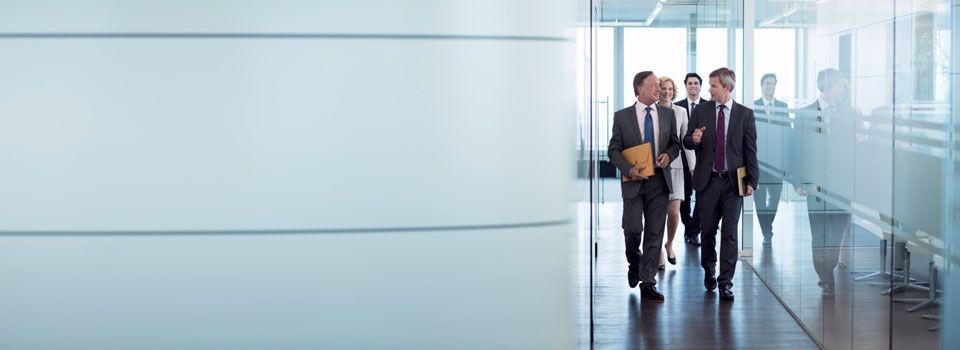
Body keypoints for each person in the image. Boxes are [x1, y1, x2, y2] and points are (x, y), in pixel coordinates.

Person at [683, 67, 758, 301]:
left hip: (733, 182)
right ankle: (709, 269)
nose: (708, 89)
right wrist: (692, 139)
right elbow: (687, 140)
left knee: (730, 233)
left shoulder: (745, 114)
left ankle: (726, 281)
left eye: (713, 86)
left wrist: (752, 181)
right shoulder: (702, 110)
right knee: (707, 231)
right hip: (708, 182)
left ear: (727, 87)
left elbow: (750, 150)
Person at [608, 71, 681, 301]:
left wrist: (669, 156)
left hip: (659, 182)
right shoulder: (622, 117)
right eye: (652, 86)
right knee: (632, 229)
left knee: (654, 232)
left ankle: (648, 281)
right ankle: (634, 261)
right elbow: (613, 150)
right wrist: (629, 169)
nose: (658, 89)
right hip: (633, 182)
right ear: (638, 89)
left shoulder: (668, 115)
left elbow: (675, 144)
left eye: (659, 85)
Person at [794, 68, 853, 296]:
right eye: (840, 86)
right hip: (816, 185)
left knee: (836, 231)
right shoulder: (804, 114)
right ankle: (825, 277)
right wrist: (798, 181)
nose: (843, 90)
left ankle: (828, 269)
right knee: (819, 233)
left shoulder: (846, 113)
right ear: (828, 87)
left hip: (842, 184)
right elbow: (797, 149)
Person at [657, 76, 697, 270]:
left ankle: (670, 243)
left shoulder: (680, 112)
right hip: (656, 169)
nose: (667, 92)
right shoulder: (653, 110)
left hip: (676, 169)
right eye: (663, 89)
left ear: (674, 91)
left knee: (673, 213)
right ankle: (658, 251)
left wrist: (692, 167)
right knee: (655, 213)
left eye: (670, 89)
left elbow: (686, 142)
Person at [753, 73, 788, 247]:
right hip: (758, 163)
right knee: (759, 199)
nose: (770, 87)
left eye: (773, 84)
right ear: (762, 86)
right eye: (767, 84)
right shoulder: (754, 107)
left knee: (775, 197)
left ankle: (767, 226)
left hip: (777, 163)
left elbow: (787, 135)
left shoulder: (783, 107)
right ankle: (766, 230)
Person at [675, 73, 706, 247]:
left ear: (700, 86)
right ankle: (688, 227)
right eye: (690, 83)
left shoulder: (708, 106)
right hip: (682, 160)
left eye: (696, 83)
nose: (693, 86)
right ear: (686, 86)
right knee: (683, 198)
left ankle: (694, 231)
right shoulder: (677, 107)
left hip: (703, 160)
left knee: (702, 199)